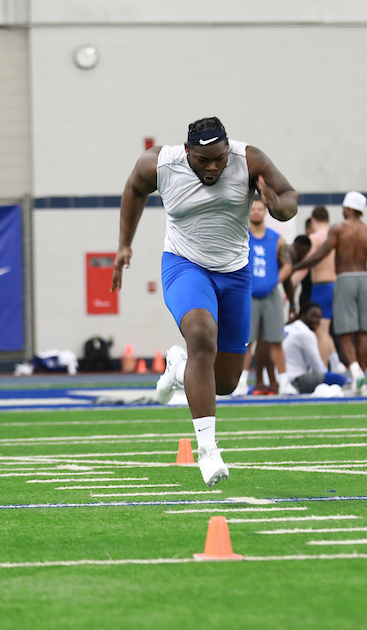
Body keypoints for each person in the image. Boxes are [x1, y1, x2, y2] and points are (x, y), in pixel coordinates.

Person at [113, 117, 298, 485]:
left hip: (235, 272)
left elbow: (289, 199)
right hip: (185, 266)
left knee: (226, 382)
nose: (213, 167)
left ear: (228, 148)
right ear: (187, 152)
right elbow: (134, 189)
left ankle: (178, 369)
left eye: (219, 158)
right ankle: (209, 451)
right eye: (203, 160)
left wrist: (277, 206)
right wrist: (124, 244)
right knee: (200, 335)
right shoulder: (159, 163)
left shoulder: (250, 159)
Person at [290, 192, 367, 393]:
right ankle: (362, 379)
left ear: (348, 209)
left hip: (343, 279)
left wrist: (297, 265)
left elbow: (320, 254)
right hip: (364, 279)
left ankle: (356, 372)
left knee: (344, 333)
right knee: (362, 333)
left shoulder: (339, 229)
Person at [235, 198, 292, 395]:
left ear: (265, 212)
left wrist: (275, 280)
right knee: (246, 341)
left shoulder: (277, 239)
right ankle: (241, 382)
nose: (256, 212)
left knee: (276, 340)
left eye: (260, 209)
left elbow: (288, 264)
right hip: (247, 294)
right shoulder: (241, 236)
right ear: (249, 212)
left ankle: (284, 381)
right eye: (253, 209)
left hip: (270, 295)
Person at [281, 303, 348, 394]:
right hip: (293, 380)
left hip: (278, 379)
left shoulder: (287, 328)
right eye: (313, 316)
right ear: (303, 315)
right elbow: (318, 367)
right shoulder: (306, 333)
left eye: (319, 318)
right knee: (338, 378)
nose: (317, 321)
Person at [304, 206, 339, 371]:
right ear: (329, 220)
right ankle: (336, 364)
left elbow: (306, 265)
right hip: (335, 286)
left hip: (322, 287)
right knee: (326, 330)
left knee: (320, 332)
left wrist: (291, 280)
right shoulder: (335, 237)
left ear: (313, 221)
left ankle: (323, 371)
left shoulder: (315, 238)